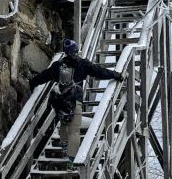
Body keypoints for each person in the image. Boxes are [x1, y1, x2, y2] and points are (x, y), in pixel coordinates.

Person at [29, 38, 124, 167]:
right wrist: (115, 75)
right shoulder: (83, 64)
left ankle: (64, 148)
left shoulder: (58, 65)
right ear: (76, 50)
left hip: (61, 100)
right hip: (75, 100)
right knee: (74, 131)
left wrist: (32, 83)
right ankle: (71, 160)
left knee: (63, 124)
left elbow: (43, 76)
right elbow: (99, 71)